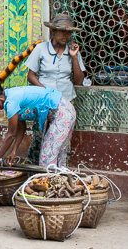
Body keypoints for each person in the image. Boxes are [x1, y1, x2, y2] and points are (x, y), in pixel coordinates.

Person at [24, 12, 85, 164]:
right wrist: (46, 91)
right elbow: (30, 76)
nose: (66, 35)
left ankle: (61, 170)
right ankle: (36, 171)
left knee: (63, 139)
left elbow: (79, 81)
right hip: (44, 101)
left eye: (69, 32)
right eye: (62, 31)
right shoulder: (41, 49)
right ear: (53, 31)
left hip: (66, 102)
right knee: (40, 135)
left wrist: (73, 57)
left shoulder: (73, 51)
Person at [0, 79, 76, 169]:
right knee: (59, 158)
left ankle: (51, 185)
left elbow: (11, 135)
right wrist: (14, 150)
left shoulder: (11, 102)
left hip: (62, 112)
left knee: (47, 159)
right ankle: (60, 184)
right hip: (64, 110)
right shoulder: (11, 96)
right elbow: (21, 128)